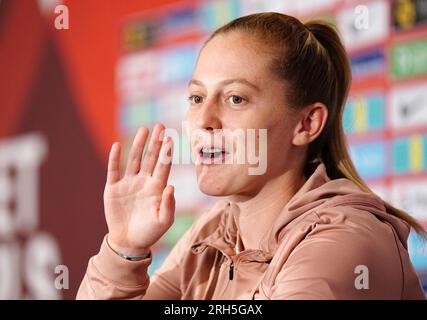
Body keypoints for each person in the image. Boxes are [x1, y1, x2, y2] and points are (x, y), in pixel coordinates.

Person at [77, 12, 425, 299]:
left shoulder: (346, 238)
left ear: (306, 124)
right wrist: (124, 250)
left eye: (235, 99)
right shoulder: (213, 233)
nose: (204, 120)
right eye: (197, 98)